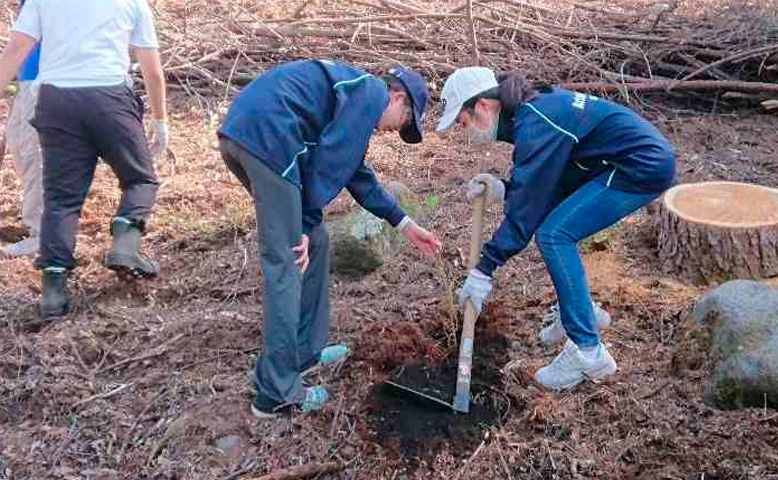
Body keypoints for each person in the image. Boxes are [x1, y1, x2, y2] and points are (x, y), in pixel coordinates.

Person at [218, 60, 441, 418]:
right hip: (267, 140)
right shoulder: (370, 93)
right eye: (404, 121)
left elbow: (355, 174)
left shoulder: (354, 93)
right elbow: (329, 163)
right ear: (398, 97)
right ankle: (277, 393)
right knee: (289, 259)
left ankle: (305, 352)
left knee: (317, 240)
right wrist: (302, 224)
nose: (393, 131)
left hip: (250, 135)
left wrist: (406, 225)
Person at [439, 67, 676, 391]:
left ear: (482, 106)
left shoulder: (536, 122)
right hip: (606, 164)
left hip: (637, 166)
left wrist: (483, 270)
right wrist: (504, 189)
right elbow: (542, 183)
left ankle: (588, 352)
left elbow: (526, 213)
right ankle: (579, 311)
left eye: (462, 123)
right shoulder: (532, 112)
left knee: (554, 235)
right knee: (558, 230)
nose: (465, 132)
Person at [0, 0, 169, 318]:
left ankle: (53, 290)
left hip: (56, 100)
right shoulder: (132, 2)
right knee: (140, 178)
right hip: (109, 98)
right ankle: (125, 240)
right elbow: (152, 69)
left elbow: (15, 52)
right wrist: (161, 122)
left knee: (61, 199)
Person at [1, 0, 42, 258]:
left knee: (34, 152)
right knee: (18, 144)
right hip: (27, 79)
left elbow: (18, 47)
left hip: (45, 78)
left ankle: (42, 233)